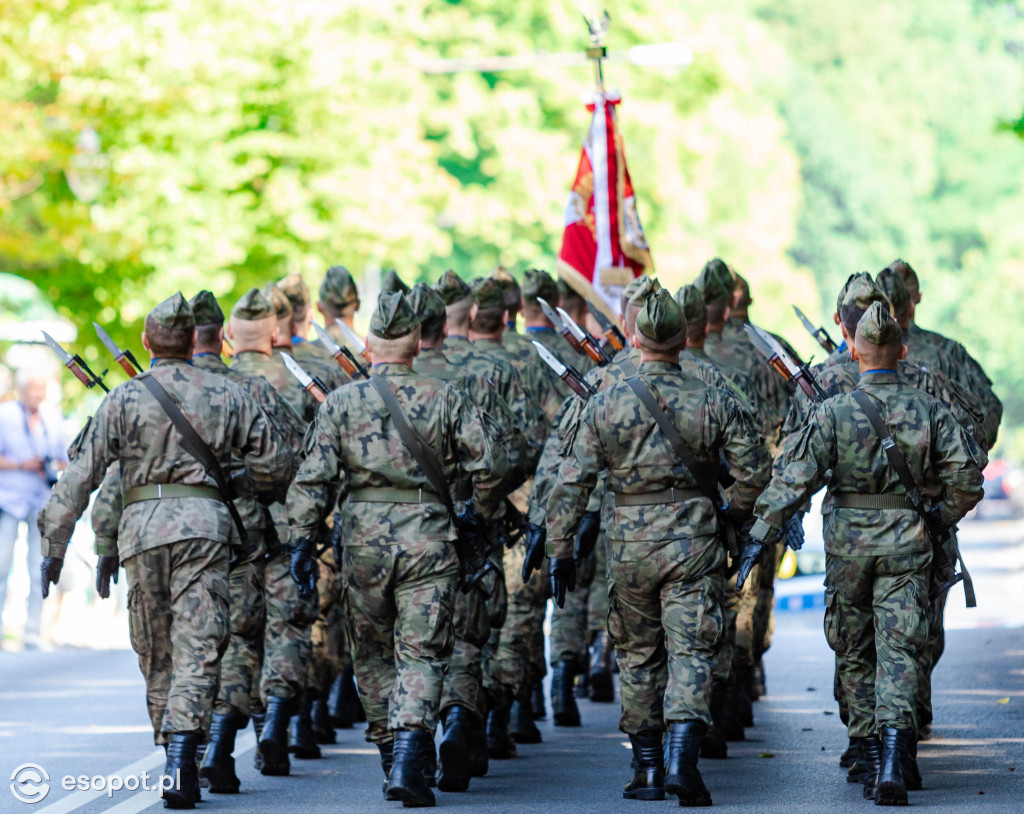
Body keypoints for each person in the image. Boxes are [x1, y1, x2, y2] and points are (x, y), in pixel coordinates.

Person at [37, 292, 294, 809]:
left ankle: (173, 750)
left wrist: (54, 545)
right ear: (202, 338)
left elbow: (81, 479)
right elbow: (280, 465)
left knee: (158, 650)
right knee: (200, 647)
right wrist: (234, 482)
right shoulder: (230, 394)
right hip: (206, 532)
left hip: (143, 536)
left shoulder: (125, 398)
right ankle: (183, 754)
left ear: (148, 342)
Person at [747, 301, 986, 805]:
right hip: (908, 545)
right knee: (900, 651)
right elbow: (967, 478)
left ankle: (871, 753)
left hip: (848, 550)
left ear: (853, 352)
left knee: (855, 650)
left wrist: (759, 532)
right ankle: (898, 759)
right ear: (902, 351)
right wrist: (940, 517)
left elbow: (793, 480)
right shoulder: (929, 409)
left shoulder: (832, 412)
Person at [547, 288, 771, 805]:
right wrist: (731, 511)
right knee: (692, 649)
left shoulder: (604, 400)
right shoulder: (710, 395)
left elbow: (571, 482)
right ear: (684, 338)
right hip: (693, 538)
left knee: (638, 653)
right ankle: (681, 765)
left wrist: (560, 547)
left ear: (637, 337)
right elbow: (755, 469)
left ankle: (647, 769)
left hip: (627, 540)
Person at [286, 291, 508, 808]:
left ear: (368, 346)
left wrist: (301, 539)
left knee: (373, 652)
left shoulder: (342, 401)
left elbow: (311, 481)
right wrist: (477, 513)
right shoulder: (444, 396)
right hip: (429, 538)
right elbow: (492, 466)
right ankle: (410, 754)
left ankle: (393, 754)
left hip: (363, 542)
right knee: (423, 652)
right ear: (414, 347)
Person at [0, 370, 67, 648]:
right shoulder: (5, 415)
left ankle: (33, 631)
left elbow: (65, 459)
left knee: (38, 566)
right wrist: (21, 465)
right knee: (2, 565)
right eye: (33, 388)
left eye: (41, 388)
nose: (37, 394)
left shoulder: (52, 418)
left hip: (40, 500)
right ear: (21, 389)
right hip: (9, 500)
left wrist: (49, 466)